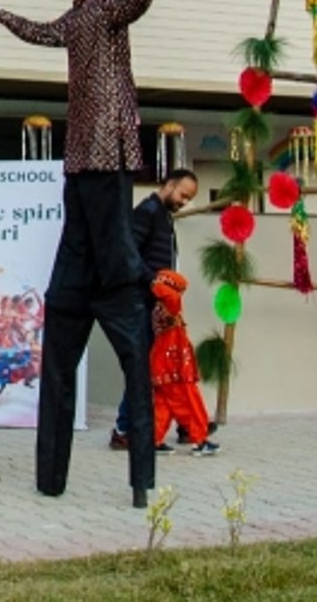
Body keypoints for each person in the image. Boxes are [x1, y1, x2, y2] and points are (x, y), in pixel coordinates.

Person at [0, 0, 158, 506]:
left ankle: (116, 272)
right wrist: (1, 14)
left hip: (109, 138)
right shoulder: (75, 17)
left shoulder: (110, 5)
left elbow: (134, 8)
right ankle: (50, 478)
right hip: (81, 149)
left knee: (107, 216)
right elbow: (42, 32)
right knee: (81, 209)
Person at [112, 169, 200, 450]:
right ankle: (124, 429)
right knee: (145, 367)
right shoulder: (148, 211)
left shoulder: (162, 215)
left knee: (166, 365)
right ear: (170, 185)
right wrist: (154, 283)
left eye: (188, 198)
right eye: (183, 194)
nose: (184, 201)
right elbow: (130, 255)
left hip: (159, 303)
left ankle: (185, 425)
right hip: (144, 302)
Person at [146, 270, 215, 456]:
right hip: (173, 365)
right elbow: (171, 295)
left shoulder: (160, 308)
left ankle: (153, 440)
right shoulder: (170, 304)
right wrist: (159, 283)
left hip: (163, 363)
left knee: (163, 404)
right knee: (187, 402)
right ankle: (199, 440)